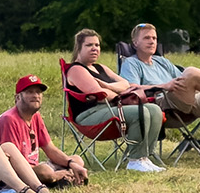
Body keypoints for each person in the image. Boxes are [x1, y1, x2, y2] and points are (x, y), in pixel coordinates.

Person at [118, 24, 200, 167]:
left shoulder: (161, 61)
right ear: (135, 43)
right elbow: (131, 89)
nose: (152, 41)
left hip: (186, 101)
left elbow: (185, 80)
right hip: (162, 104)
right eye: (146, 38)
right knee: (191, 71)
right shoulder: (131, 63)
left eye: (154, 38)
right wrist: (164, 86)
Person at [62, 29, 166, 170]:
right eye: (89, 45)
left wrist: (106, 85)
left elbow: (126, 84)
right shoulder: (76, 70)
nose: (94, 49)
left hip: (111, 109)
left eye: (97, 45)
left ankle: (144, 157)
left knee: (154, 110)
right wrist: (117, 91)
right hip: (89, 115)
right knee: (140, 112)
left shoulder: (101, 68)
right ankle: (134, 161)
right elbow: (100, 94)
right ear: (79, 48)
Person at [0, 76, 88, 186]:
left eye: (38, 92)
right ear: (17, 97)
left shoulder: (36, 116)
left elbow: (50, 149)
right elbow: (13, 163)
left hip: (34, 167)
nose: (35, 95)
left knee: (77, 160)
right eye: (30, 92)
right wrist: (57, 174)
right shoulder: (9, 119)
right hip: (15, 173)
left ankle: (64, 177)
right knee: (45, 171)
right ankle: (62, 177)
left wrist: (71, 164)